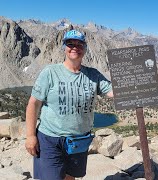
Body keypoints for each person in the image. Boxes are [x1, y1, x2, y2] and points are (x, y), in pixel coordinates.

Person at [25, 29, 113, 180]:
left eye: (80, 44)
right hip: (51, 139)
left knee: (70, 176)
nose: (75, 47)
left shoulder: (93, 74)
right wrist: (30, 136)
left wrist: (137, 88)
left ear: (85, 49)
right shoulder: (50, 72)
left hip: (79, 140)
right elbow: (33, 104)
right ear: (64, 47)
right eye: (70, 44)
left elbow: (113, 92)